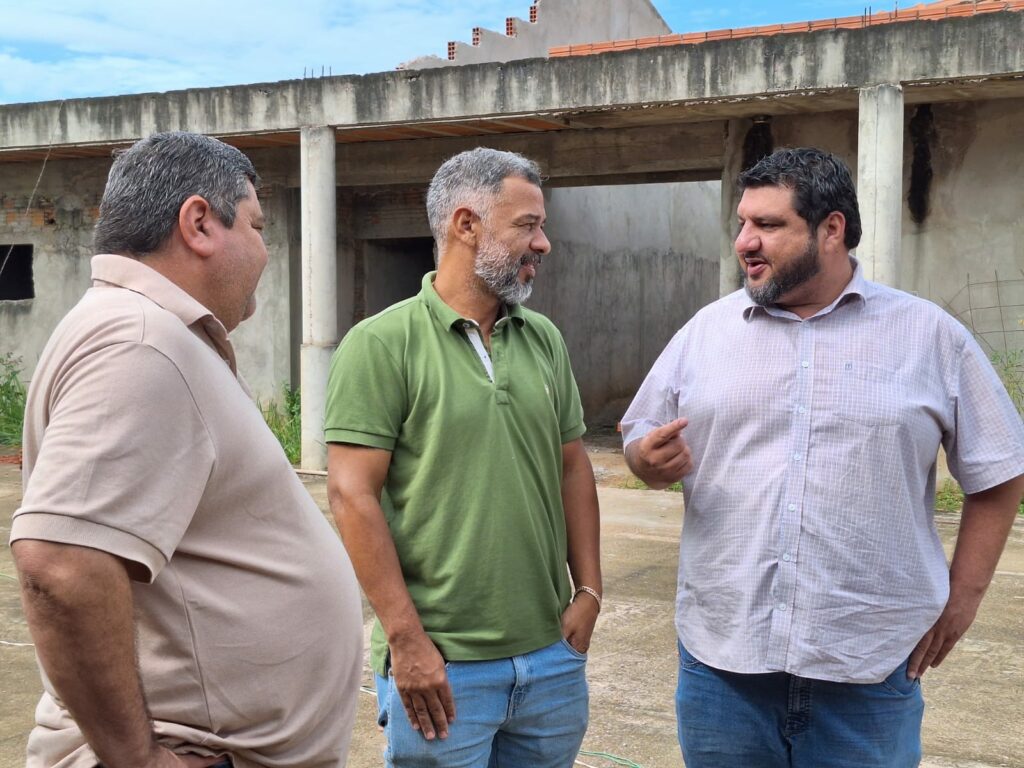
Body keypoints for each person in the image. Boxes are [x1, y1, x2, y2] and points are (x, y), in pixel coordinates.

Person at [622, 147, 1024, 768]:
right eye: (742, 224)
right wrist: (645, 462)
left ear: (832, 229)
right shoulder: (707, 330)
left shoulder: (929, 336)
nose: (746, 243)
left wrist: (963, 597)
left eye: (769, 225)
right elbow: (639, 435)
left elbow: (998, 469)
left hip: (866, 669)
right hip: (723, 668)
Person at [10, 131, 363, 768]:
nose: (266, 250)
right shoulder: (139, 341)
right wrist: (139, 759)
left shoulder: (151, 334)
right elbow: (60, 562)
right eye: (257, 225)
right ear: (199, 223)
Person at [324, 147, 601, 767]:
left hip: (551, 662)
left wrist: (590, 590)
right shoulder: (379, 345)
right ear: (466, 225)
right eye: (527, 225)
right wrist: (406, 639)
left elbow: (573, 465)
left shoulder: (544, 338)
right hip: (441, 671)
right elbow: (351, 495)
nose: (543, 243)